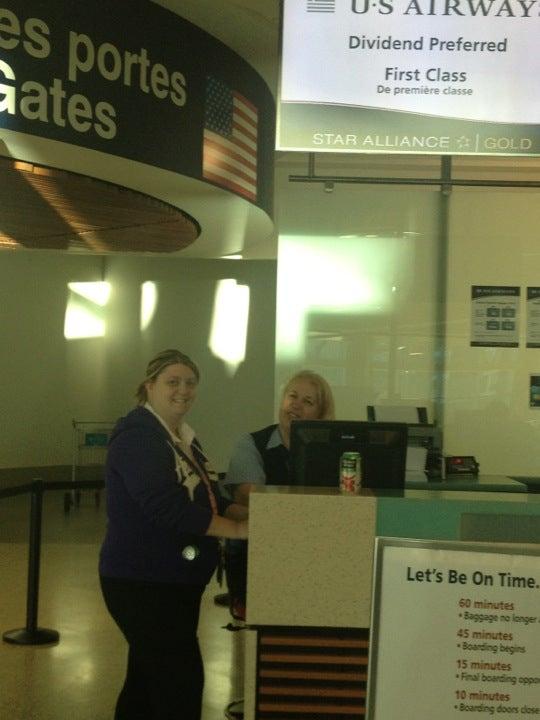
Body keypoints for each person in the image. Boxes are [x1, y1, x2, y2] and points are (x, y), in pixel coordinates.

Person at [99, 349, 248, 720]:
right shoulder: (138, 436)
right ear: (149, 386)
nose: (184, 390)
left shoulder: (182, 437)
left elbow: (209, 494)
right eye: (173, 382)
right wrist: (238, 531)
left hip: (172, 582)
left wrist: (259, 516)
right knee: (179, 682)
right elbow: (167, 507)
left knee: (146, 682)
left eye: (190, 382)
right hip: (142, 582)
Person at [221, 370, 335, 618]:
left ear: (321, 414)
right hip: (263, 557)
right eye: (291, 396)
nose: (296, 405)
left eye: (308, 401)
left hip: (319, 559)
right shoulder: (250, 444)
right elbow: (250, 498)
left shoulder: (334, 452)